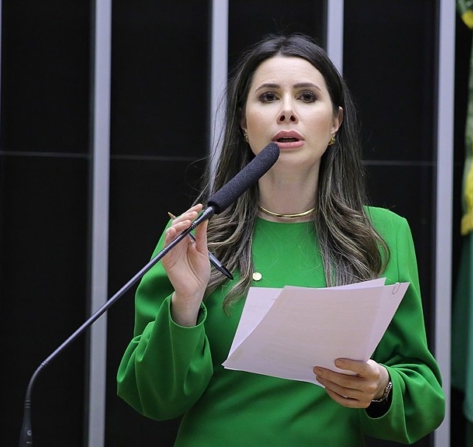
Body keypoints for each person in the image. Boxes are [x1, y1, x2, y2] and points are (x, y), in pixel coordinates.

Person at [116, 32, 445, 446]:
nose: (287, 112)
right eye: (269, 97)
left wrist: (381, 388)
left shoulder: (382, 234)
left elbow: (425, 399)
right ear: (242, 121)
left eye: (307, 97)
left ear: (336, 122)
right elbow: (152, 398)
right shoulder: (197, 234)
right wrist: (185, 302)